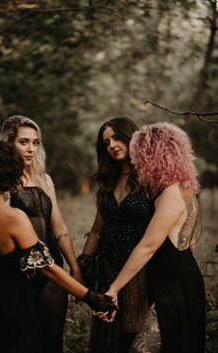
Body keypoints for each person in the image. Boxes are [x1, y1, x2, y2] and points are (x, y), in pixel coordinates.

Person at [0, 140, 116, 353]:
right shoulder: (12, 217)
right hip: (16, 304)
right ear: (8, 171)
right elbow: (46, 267)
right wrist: (90, 297)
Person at [105, 122, 206, 353]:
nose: (137, 162)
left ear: (153, 156)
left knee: (143, 349)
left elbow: (148, 246)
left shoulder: (171, 193)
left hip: (174, 286)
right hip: (181, 278)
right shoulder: (184, 188)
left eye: (139, 155)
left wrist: (114, 288)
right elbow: (188, 243)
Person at [0, 115, 81, 353]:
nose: (31, 148)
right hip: (17, 273)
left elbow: (59, 228)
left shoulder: (45, 180)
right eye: (24, 142)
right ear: (9, 143)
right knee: (22, 341)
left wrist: (74, 268)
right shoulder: (0, 182)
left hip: (53, 271)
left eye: (36, 142)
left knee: (53, 341)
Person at [78, 117, 154, 353]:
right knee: (109, 336)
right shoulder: (107, 182)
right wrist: (82, 263)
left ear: (131, 137)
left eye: (117, 138)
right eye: (106, 142)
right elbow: (97, 230)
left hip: (141, 268)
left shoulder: (149, 178)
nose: (111, 145)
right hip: (108, 266)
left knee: (136, 335)